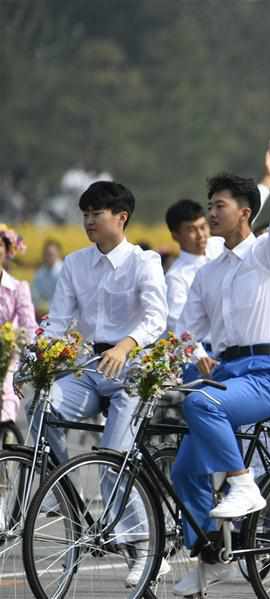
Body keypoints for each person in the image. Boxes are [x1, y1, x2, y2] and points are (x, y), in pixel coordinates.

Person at [171, 124, 270, 595]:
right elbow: (186, 330)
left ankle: (244, 485)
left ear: (245, 213)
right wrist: (194, 352)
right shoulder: (208, 274)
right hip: (226, 375)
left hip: (265, 375)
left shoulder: (268, 254)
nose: (211, 213)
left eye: (219, 206)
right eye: (209, 206)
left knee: (203, 405)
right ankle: (212, 558)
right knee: (183, 470)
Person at [40, 181, 168, 588]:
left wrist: (126, 345)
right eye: (85, 214)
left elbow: (155, 319)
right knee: (45, 408)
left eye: (97, 213)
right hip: (90, 367)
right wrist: (38, 357)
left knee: (114, 458)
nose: (89, 221)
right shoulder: (75, 264)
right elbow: (58, 324)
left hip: (132, 371)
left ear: (121, 218)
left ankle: (146, 548)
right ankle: (66, 497)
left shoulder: (144, 262)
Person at [165, 152, 270, 336]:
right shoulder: (176, 276)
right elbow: (180, 324)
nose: (200, 235)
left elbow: (243, 210)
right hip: (207, 350)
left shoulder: (219, 244)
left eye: (202, 227)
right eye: (191, 230)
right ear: (175, 235)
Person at [0, 225, 38, 423]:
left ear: (7, 252)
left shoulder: (17, 288)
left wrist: (28, 358)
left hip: (7, 355)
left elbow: (29, 326)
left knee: (7, 394)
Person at [30, 238, 63, 318]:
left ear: (58, 254)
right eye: (46, 254)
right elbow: (35, 294)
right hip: (42, 313)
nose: (48, 257)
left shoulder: (64, 271)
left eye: (51, 254)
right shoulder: (40, 272)